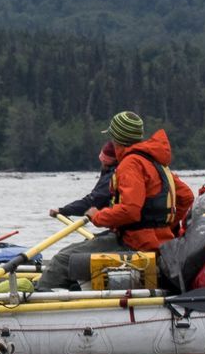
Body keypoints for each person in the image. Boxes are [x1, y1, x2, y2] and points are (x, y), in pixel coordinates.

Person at [43, 111, 195, 290]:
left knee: (62, 260)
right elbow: (186, 196)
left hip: (134, 243)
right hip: (159, 243)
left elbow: (130, 210)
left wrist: (98, 216)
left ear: (116, 138)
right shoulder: (155, 161)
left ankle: (36, 304)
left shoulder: (130, 164)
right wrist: (163, 227)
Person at [48, 142, 118, 221]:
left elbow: (93, 201)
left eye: (103, 161)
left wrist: (63, 210)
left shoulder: (112, 176)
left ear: (106, 162)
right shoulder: (115, 172)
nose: (101, 163)